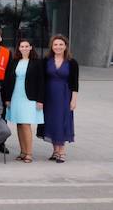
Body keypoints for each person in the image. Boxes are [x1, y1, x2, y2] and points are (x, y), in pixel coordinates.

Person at [3, 38, 45, 164]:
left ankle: (29, 153)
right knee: (19, 124)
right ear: (19, 48)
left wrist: (40, 100)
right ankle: (22, 152)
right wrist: (7, 98)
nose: (24, 48)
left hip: (30, 97)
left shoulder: (37, 63)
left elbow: (42, 82)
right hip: (16, 95)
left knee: (26, 124)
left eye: (27, 46)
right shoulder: (14, 62)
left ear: (31, 47)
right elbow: (7, 80)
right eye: (22, 46)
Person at [38, 35, 79, 163]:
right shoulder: (46, 60)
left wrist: (74, 100)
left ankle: (62, 151)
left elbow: (75, 83)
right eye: (55, 44)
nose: (58, 47)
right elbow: (42, 80)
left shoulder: (72, 62)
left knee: (62, 121)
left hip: (64, 95)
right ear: (52, 46)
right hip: (49, 95)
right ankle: (55, 151)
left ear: (65, 46)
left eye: (61, 44)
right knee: (51, 122)